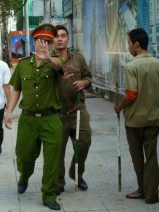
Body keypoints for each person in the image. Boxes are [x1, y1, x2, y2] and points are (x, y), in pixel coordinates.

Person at [5, 23, 63, 211]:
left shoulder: (56, 62)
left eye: (48, 41)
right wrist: (9, 111)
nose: (44, 44)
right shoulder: (22, 64)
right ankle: (24, 175)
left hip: (51, 119)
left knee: (52, 160)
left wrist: (48, 60)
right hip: (28, 120)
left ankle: (48, 195)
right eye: (41, 40)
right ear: (34, 41)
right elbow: (17, 90)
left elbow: (59, 69)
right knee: (23, 155)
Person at [114, 28, 159, 204]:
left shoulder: (132, 66)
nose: (128, 47)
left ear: (137, 44)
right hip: (152, 118)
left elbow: (131, 94)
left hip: (135, 120)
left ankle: (144, 190)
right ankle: (152, 193)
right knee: (151, 157)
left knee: (137, 157)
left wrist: (119, 107)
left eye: (129, 44)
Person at [53, 25, 92, 195]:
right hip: (56, 113)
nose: (60, 39)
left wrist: (84, 83)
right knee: (57, 151)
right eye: (56, 36)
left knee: (84, 141)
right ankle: (58, 182)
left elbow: (88, 76)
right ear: (52, 40)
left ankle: (76, 173)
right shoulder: (48, 61)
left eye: (63, 35)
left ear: (68, 39)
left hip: (78, 109)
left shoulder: (78, 59)